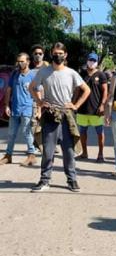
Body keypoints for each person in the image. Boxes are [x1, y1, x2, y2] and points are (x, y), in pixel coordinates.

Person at [29, 42, 91, 192]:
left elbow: (86, 89)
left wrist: (75, 105)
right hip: (50, 116)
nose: (58, 56)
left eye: (60, 53)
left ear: (66, 55)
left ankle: (72, 180)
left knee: (69, 151)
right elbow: (32, 87)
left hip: (67, 116)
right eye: (55, 53)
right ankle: (44, 180)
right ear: (51, 54)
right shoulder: (44, 72)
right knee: (48, 151)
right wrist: (40, 101)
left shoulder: (71, 73)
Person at [0, 53, 37, 166]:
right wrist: (6, 105)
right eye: (18, 61)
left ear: (28, 61)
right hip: (15, 109)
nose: (20, 63)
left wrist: (38, 108)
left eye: (22, 61)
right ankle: (8, 156)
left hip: (27, 108)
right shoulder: (14, 74)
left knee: (27, 132)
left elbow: (39, 91)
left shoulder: (32, 75)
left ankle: (31, 156)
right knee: (11, 134)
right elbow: (8, 90)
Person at [76, 53, 108, 162]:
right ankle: (84, 153)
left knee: (99, 133)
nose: (91, 62)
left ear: (97, 62)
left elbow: (105, 91)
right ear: (87, 60)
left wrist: (102, 105)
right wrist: (74, 104)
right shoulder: (82, 73)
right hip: (82, 109)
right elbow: (77, 90)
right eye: (90, 60)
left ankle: (100, 154)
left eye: (94, 61)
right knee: (82, 132)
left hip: (96, 110)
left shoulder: (101, 75)